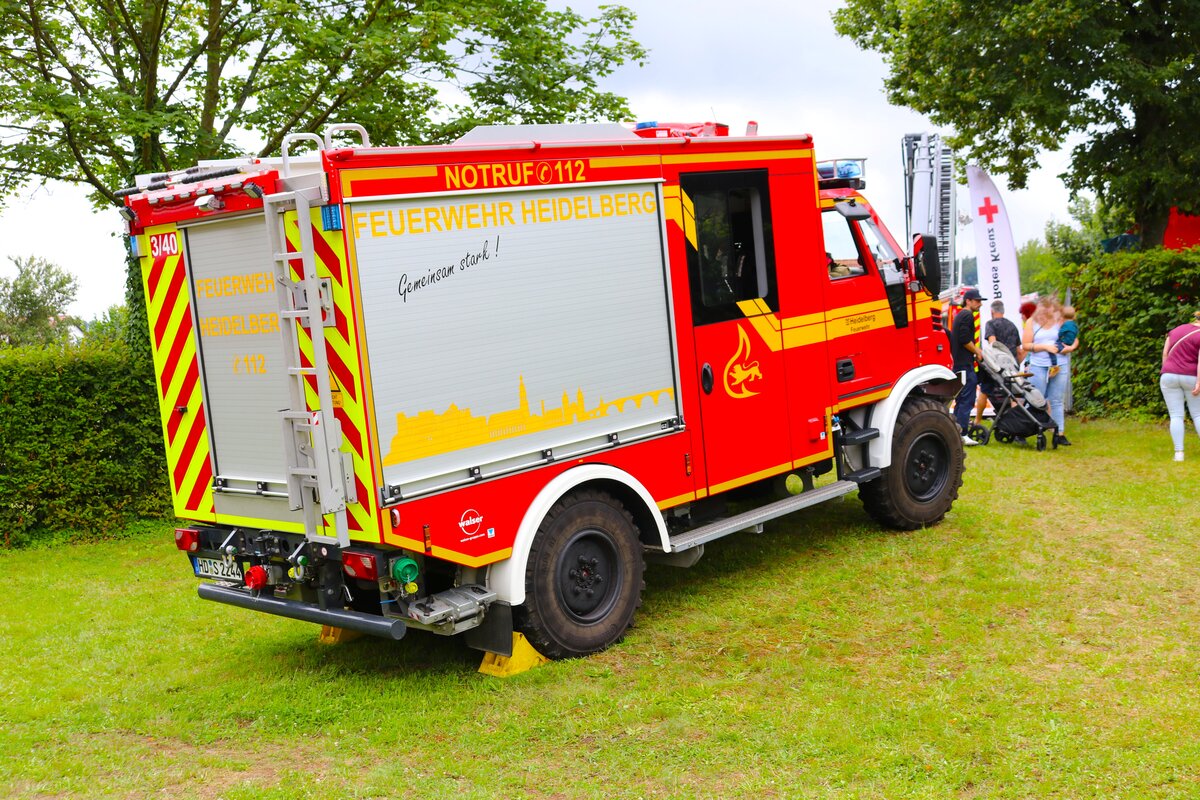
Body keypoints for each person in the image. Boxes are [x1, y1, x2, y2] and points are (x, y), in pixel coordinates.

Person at [1021, 296, 1079, 446]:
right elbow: (1026, 345)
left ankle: (1059, 433)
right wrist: (1045, 347)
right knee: (1036, 400)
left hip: (1059, 364)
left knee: (1057, 400)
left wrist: (1071, 348)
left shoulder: (1060, 321)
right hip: (1039, 364)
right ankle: (1027, 430)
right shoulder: (1031, 322)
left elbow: (1074, 337)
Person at [973, 300, 1023, 425]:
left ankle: (977, 421)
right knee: (1014, 395)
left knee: (984, 391)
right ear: (1003, 311)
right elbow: (1019, 351)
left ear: (992, 311)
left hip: (996, 366)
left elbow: (992, 344)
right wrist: (1016, 365)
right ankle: (1016, 424)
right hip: (1011, 367)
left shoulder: (991, 324)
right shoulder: (1012, 326)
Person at [1159, 310, 1200, 462]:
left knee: (1176, 415)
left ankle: (1179, 453)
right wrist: (1199, 382)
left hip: (1168, 375)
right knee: (1197, 414)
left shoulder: (1177, 330)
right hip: (1190, 376)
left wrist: (1166, 371)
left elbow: (1165, 354)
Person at [951, 288, 986, 445]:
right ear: (968, 301)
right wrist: (977, 351)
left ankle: (956, 432)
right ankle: (962, 433)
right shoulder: (967, 315)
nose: (980, 304)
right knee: (967, 399)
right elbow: (965, 339)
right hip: (964, 364)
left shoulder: (960, 315)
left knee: (961, 399)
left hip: (958, 364)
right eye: (977, 301)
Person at [1049, 305, 1079, 376]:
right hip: (1068, 344)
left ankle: (1054, 366)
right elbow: (1075, 335)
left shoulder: (1066, 324)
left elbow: (1060, 333)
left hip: (1063, 344)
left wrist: (1071, 348)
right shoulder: (1073, 324)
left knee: (1051, 350)